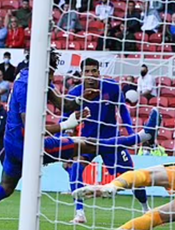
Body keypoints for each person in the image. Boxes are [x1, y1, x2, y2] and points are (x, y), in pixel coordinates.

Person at [0, 52, 160, 230]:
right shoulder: (29, 86)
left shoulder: (31, 76)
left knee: (6, 186)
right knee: (85, 143)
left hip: (11, 146)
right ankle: (142, 137)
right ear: (45, 65)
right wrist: (66, 126)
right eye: (53, 68)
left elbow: (61, 103)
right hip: (28, 144)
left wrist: (80, 101)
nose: (53, 73)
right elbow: (32, 129)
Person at [64, 58, 150, 224]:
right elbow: (64, 118)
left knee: (132, 176)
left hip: (111, 141)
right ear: (81, 74)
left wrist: (130, 134)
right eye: (87, 71)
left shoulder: (111, 87)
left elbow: (123, 110)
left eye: (93, 71)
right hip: (87, 141)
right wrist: (64, 144)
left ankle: (146, 208)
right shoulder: (75, 94)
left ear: (99, 72)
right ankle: (79, 213)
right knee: (75, 168)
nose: (90, 75)